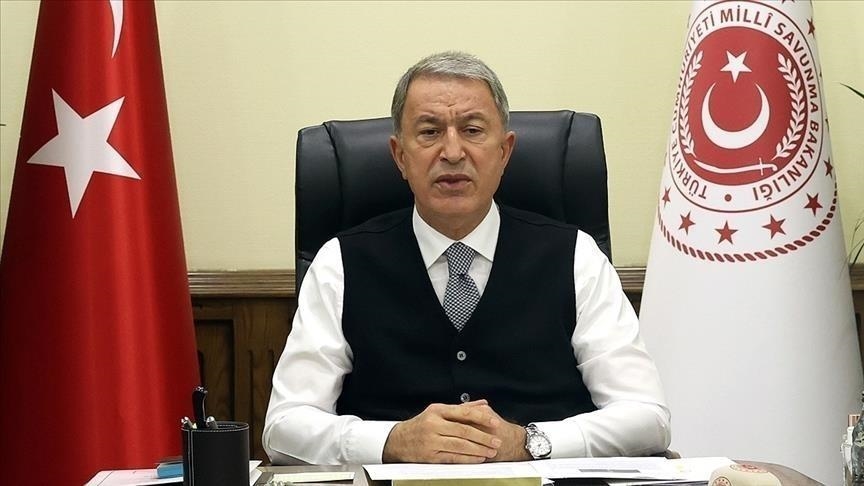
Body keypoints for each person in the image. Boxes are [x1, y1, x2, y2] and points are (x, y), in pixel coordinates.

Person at [263, 51, 670, 465]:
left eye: (472, 130)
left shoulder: (576, 256)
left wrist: (528, 442)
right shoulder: (340, 263)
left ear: (505, 151)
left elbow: (646, 416)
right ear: (400, 156)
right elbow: (283, 426)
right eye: (429, 132)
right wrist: (392, 441)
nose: (453, 152)